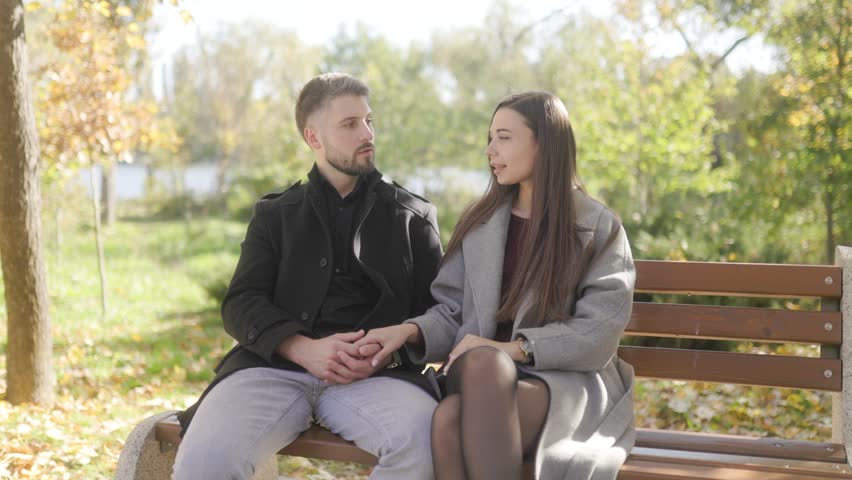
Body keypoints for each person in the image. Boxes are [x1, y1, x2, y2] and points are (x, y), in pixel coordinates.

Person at [172, 73, 444, 480]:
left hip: (379, 379)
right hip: (271, 370)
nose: (367, 133)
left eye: (369, 121)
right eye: (350, 124)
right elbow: (240, 303)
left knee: (424, 446)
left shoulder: (413, 216)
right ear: (313, 137)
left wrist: (387, 353)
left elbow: (439, 314)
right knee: (205, 461)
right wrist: (300, 348)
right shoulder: (275, 215)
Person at [357, 91, 636, 480]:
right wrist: (409, 331)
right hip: (475, 373)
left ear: (545, 142)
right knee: (483, 365)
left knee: (449, 419)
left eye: (504, 138)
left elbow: (599, 332)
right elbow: (453, 311)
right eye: (490, 138)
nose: (490, 150)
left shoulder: (596, 226)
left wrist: (513, 349)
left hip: (562, 383)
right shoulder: (481, 221)